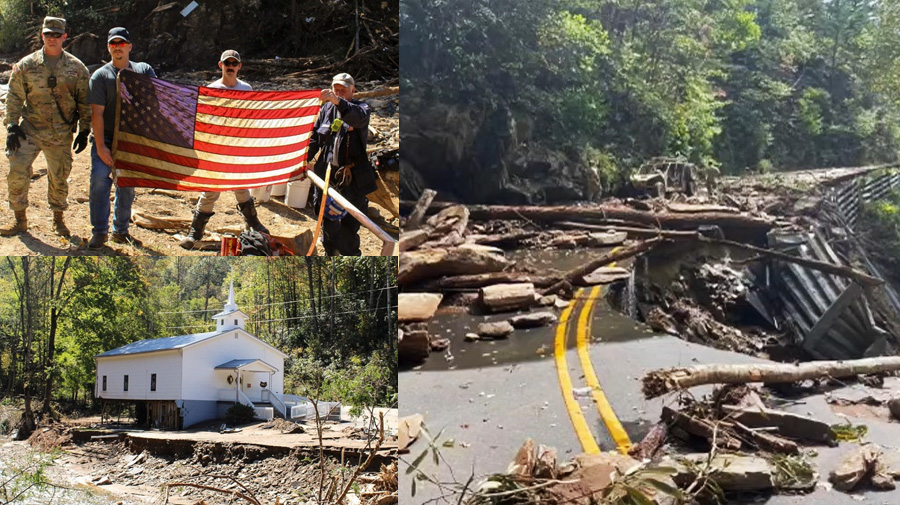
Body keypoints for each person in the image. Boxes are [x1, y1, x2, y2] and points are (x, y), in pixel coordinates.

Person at [2, 16, 91, 237]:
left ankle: (58, 220)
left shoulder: (77, 68)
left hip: (60, 134)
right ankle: (19, 220)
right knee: (16, 173)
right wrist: (12, 125)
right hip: (29, 129)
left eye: (56, 34)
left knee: (59, 176)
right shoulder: (26, 65)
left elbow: (84, 101)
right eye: (48, 34)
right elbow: (14, 97)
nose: (52, 38)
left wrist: (85, 130)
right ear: (42, 36)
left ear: (64, 37)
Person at [180, 49, 268, 250]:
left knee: (241, 187)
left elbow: (252, 118)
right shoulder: (211, 89)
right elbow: (203, 121)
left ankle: (253, 223)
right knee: (211, 190)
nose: (230, 67)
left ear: (239, 66)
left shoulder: (247, 89)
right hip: (216, 148)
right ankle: (196, 232)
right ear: (220, 66)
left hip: (238, 147)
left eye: (234, 63)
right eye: (227, 63)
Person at [86, 27, 156, 248]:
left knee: (126, 185)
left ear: (129, 46)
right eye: (113, 44)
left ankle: (121, 231)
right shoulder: (100, 76)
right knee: (99, 179)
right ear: (108, 47)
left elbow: (158, 100)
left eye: (121, 43)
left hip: (131, 139)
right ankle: (99, 232)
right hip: (105, 137)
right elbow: (96, 113)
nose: (118, 47)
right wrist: (100, 147)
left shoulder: (143, 70)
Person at [307, 73, 378, 256]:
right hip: (328, 174)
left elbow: (357, 117)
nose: (338, 93)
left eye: (343, 90)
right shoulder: (326, 110)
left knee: (350, 224)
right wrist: (304, 158)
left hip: (352, 178)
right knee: (327, 220)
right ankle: (330, 251)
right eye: (335, 90)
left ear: (353, 90)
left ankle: (349, 255)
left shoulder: (362, 108)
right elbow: (315, 137)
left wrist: (339, 102)